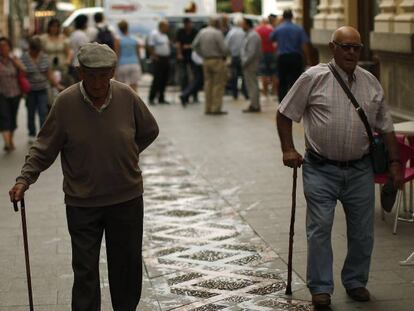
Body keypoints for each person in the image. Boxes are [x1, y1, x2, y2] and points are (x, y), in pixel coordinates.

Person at [9, 43, 159, 310]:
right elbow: (44, 147)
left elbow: (149, 130)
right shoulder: (65, 103)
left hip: (126, 198)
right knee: (85, 270)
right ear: (80, 72)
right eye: (91, 75)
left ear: (113, 72)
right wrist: (24, 179)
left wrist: (126, 154)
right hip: (83, 202)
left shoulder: (127, 96)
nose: (98, 82)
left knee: (126, 266)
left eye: (104, 75)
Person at [276, 26, 403, 308]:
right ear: (332, 48)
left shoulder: (370, 82)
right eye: (345, 46)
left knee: (362, 231)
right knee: (319, 228)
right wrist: (287, 148)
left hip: (359, 169)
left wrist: (395, 163)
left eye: (356, 47)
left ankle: (356, 281)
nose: (350, 52)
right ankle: (321, 287)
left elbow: (387, 127)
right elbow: (285, 113)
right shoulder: (313, 77)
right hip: (320, 167)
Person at [20, 36, 63, 143]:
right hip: (30, 90)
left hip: (42, 89)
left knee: (43, 112)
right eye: (33, 50)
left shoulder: (44, 57)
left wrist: (57, 85)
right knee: (30, 112)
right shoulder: (24, 57)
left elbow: (49, 73)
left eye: (37, 50)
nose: (35, 53)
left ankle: (43, 134)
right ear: (30, 48)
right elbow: (21, 74)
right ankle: (31, 133)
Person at [270, 9, 310, 102]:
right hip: (295, 57)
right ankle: (295, 102)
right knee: (296, 81)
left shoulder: (279, 28)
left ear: (283, 17)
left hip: (282, 58)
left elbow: (271, 38)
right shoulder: (298, 28)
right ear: (292, 17)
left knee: (282, 81)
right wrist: (307, 58)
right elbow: (304, 45)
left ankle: (282, 102)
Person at [192, 17, 229, 115]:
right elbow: (224, 48)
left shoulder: (202, 32)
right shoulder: (217, 33)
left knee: (208, 84)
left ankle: (207, 108)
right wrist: (224, 55)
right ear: (217, 23)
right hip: (217, 60)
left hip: (206, 60)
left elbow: (194, 45)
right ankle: (215, 108)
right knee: (218, 85)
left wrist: (202, 54)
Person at [0, 37, 25, 152]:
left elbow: (24, 70)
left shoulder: (13, 59)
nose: (3, 48)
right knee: (4, 117)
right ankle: (7, 143)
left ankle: (10, 140)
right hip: (2, 94)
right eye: (1, 46)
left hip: (15, 93)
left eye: (5, 46)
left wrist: (16, 63)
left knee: (12, 118)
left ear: (9, 47)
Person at [241, 18, 262, 113]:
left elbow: (251, 52)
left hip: (250, 64)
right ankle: (254, 103)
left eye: (243, 24)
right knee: (251, 84)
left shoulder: (253, 36)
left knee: (252, 85)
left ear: (248, 25)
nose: (242, 26)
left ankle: (254, 105)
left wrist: (244, 62)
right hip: (249, 63)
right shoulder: (250, 35)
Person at [114, 20, 142, 93]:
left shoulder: (118, 40)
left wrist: (115, 69)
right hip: (134, 64)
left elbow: (117, 54)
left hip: (122, 65)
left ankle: (122, 103)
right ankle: (134, 103)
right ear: (127, 27)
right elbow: (138, 53)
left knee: (120, 87)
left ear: (119, 29)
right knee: (134, 87)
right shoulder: (134, 39)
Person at [148, 20, 171, 105]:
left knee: (164, 79)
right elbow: (150, 46)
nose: (167, 28)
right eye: (166, 26)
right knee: (157, 79)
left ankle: (161, 98)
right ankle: (152, 98)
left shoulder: (165, 35)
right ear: (161, 26)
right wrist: (154, 56)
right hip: (158, 59)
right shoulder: (154, 34)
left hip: (165, 58)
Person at [225, 16, 248, 101]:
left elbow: (226, 45)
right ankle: (245, 93)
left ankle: (235, 94)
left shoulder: (231, 33)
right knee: (243, 76)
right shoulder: (243, 32)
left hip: (234, 57)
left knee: (234, 76)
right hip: (242, 57)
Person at [175, 17, 198, 98]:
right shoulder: (180, 31)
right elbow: (178, 44)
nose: (188, 25)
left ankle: (194, 95)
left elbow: (196, 44)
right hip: (183, 56)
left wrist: (188, 46)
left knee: (195, 76)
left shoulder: (195, 31)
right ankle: (185, 94)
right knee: (184, 76)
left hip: (194, 56)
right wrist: (179, 54)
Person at [256, 17, 278, 97]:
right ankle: (274, 91)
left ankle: (265, 92)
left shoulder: (257, 30)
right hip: (272, 53)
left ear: (261, 22)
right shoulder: (271, 30)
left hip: (262, 54)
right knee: (274, 73)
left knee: (263, 74)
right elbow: (276, 42)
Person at [69, 14, 90, 82]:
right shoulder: (82, 35)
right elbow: (84, 51)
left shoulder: (73, 34)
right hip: (80, 65)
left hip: (74, 63)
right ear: (84, 23)